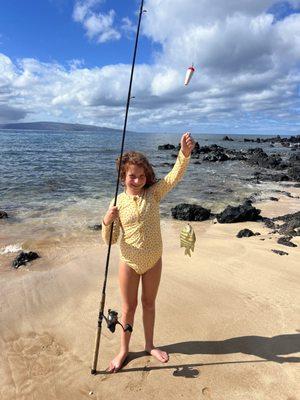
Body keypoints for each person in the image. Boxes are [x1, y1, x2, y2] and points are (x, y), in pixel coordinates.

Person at [102, 132, 195, 373]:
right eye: (133, 176)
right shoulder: (117, 203)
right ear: (123, 176)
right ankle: (123, 350)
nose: (138, 180)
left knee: (149, 304)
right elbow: (111, 240)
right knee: (128, 308)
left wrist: (183, 154)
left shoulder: (153, 193)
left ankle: (150, 345)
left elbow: (174, 177)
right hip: (129, 261)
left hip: (154, 259)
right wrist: (106, 220)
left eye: (142, 176)